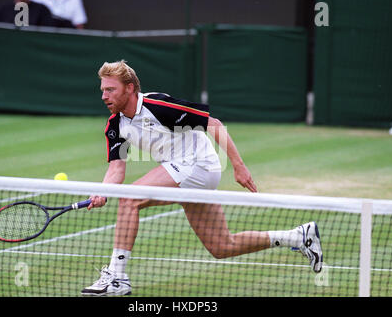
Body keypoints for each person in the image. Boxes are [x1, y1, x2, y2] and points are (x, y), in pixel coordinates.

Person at [81, 60, 323, 296]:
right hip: (183, 172)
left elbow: (214, 124)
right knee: (222, 246)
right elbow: (116, 169)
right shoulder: (115, 125)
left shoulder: (158, 105)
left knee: (129, 199)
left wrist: (239, 167)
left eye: (110, 89)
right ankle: (299, 236)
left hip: (198, 166)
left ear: (130, 88)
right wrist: (102, 191)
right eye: (103, 90)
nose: (104, 96)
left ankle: (117, 277)